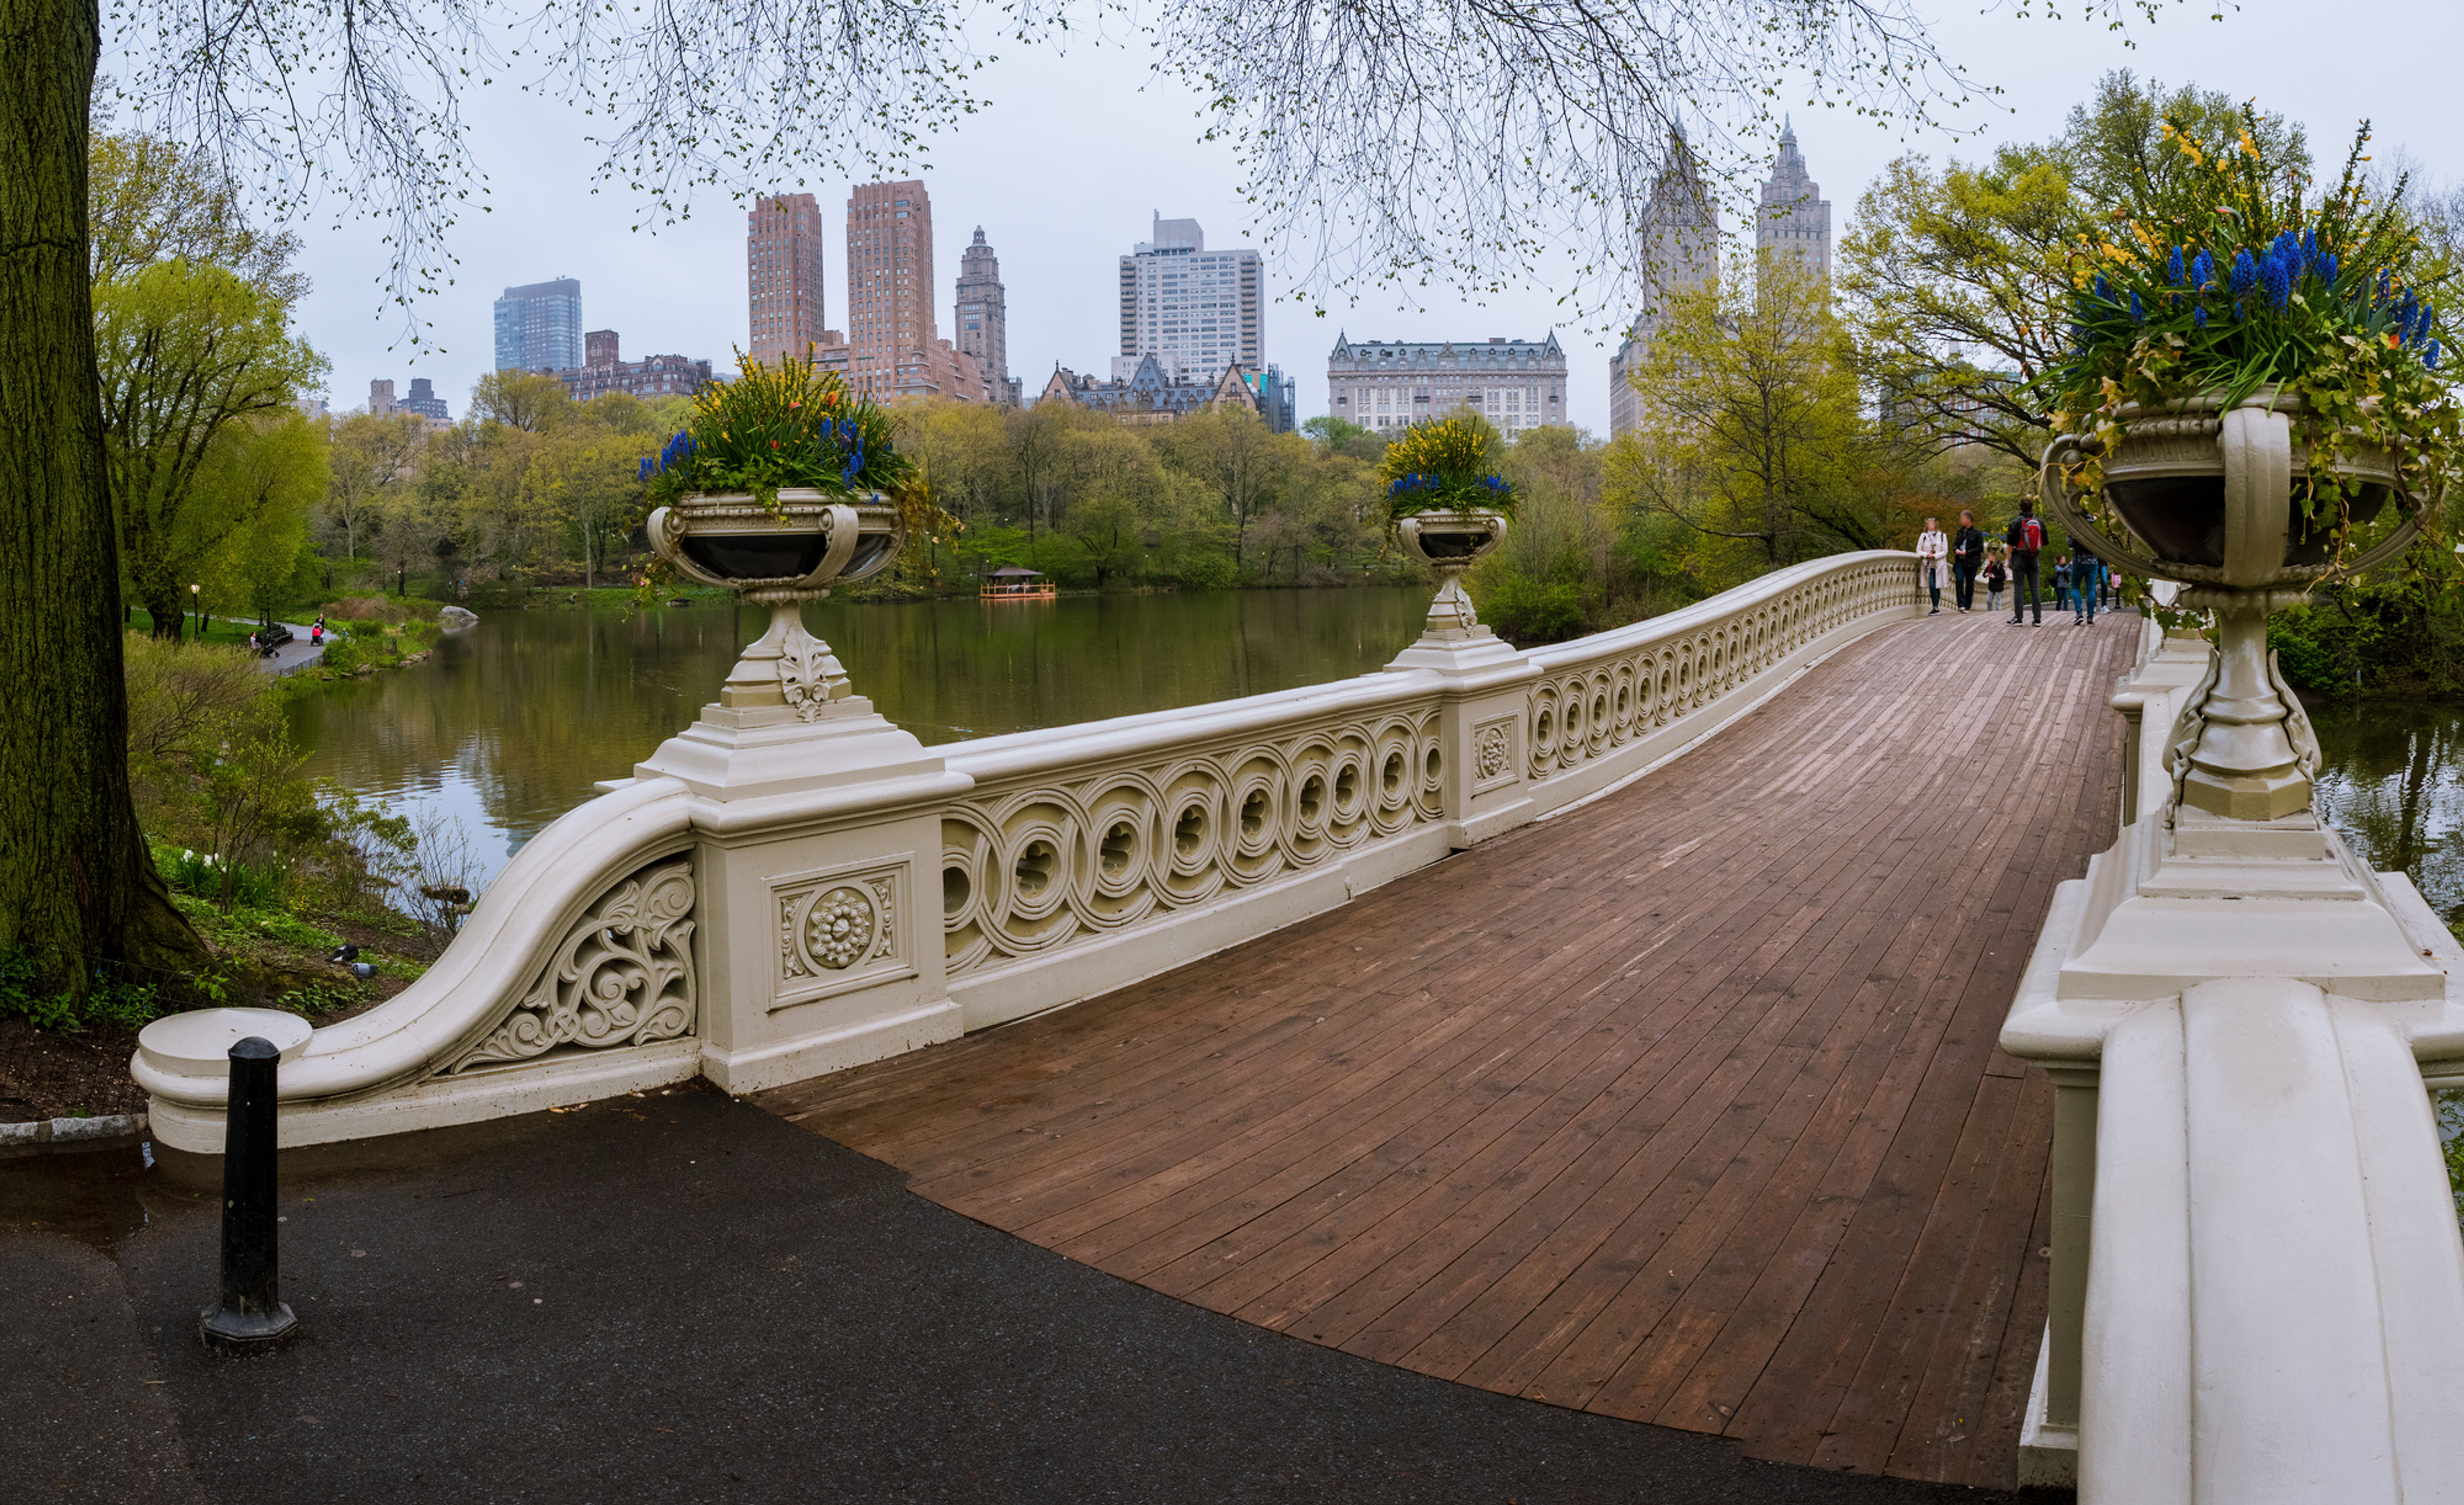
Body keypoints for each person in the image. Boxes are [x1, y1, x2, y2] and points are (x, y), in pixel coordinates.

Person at [2006, 501, 2046, 625]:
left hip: (2019, 558)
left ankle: (2019, 618)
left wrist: (2009, 559)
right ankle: (2037, 619)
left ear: (2020, 509)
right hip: (2034, 559)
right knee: (2035, 589)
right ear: (2032, 508)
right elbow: (2045, 541)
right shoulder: (2040, 523)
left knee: (2019, 588)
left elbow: (2010, 543)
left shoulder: (2016, 523)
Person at [1952, 510, 1985, 613]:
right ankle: (1961, 604)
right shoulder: (1960, 532)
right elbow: (1955, 544)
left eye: (1963, 519)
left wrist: (1968, 552)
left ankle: (1967, 605)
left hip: (1971, 562)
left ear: (1969, 520)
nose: (1961, 521)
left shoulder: (1977, 533)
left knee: (1970, 584)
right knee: (1959, 580)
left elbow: (1980, 548)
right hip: (1960, 561)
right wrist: (1956, 550)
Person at [1916, 516, 1949, 614]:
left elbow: (1945, 551)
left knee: (1937, 586)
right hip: (1928, 565)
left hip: (1939, 564)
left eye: (1933, 524)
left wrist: (1935, 556)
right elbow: (1918, 550)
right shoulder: (1923, 536)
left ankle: (1936, 607)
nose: (1931, 526)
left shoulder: (1942, 536)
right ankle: (1935, 606)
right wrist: (1927, 555)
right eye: (1929, 524)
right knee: (1932, 585)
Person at [2073, 549, 2100, 625]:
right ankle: (2090, 617)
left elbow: (2070, 543)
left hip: (2079, 562)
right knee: (2091, 590)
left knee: (2075, 588)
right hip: (2093, 562)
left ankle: (2079, 614)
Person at [1983, 544, 2008, 615]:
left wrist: (1994, 577)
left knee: (1998, 602)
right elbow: (1984, 574)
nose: (1989, 558)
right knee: (1989, 601)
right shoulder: (1989, 566)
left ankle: (1998, 615)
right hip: (1991, 586)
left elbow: (2003, 577)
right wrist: (1987, 575)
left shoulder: (1999, 566)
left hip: (1998, 587)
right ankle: (1990, 613)